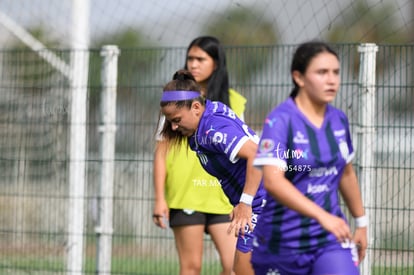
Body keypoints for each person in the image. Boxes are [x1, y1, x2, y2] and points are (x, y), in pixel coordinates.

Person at [251, 41, 368, 275]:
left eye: (336, 72)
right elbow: (273, 182)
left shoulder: (339, 120)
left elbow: (346, 172)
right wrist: (321, 216)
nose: (332, 79)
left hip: (330, 239)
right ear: (299, 77)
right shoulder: (280, 121)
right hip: (281, 243)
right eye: (322, 72)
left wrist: (362, 223)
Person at [152, 36, 247, 275]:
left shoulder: (232, 102)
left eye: (200, 59)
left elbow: (247, 151)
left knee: (233, 266)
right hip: (185, 194)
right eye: (190, 58)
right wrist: (160, 198)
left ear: (216, 63)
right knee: (191, 268)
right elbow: (161, 153)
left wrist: (243, 199)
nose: (193, 64)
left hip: (222, 197)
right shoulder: (174, 100)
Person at [157, 69, 266, 275]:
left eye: (177, 119)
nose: (172, 127)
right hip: (258, 200)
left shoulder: (211, 130)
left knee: (242, 270)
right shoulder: (204, 120)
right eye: (169, 120)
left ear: (196, 107)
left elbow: (257, 155)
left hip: (264, 201)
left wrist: (245, 202)